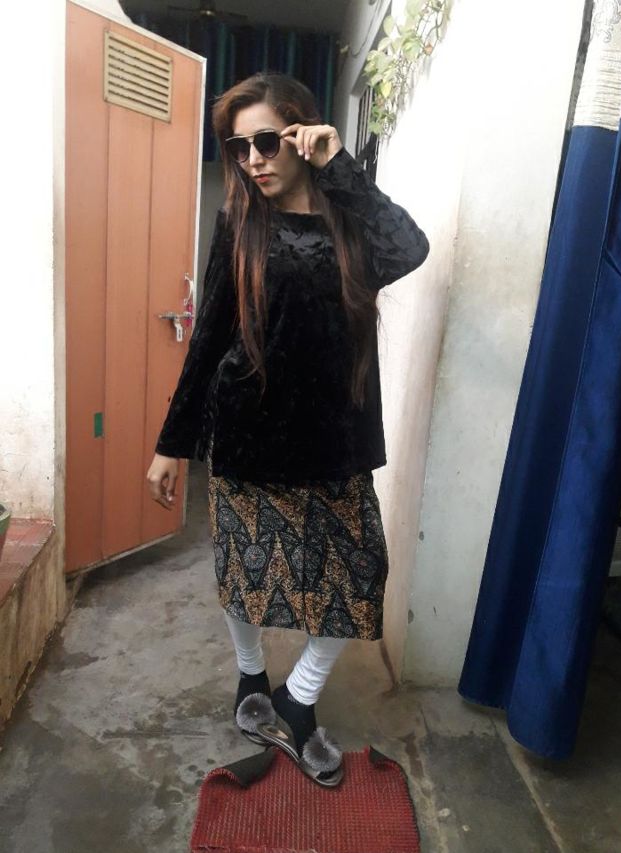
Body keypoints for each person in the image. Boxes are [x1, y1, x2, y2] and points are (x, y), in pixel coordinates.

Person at [146, 72, 429, 786]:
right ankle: (251, 677)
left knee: (357, 574)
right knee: (244, 572)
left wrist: (340, 168)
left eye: (268, 141)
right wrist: (173, 443)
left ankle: (296, 699)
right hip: (248, 433)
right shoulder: (238, 225)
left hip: (334, 439)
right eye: (240, 148)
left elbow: (410, 247)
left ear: (302, 134)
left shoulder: (349, 222)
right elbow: (210, 335)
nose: (253, 160)